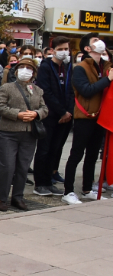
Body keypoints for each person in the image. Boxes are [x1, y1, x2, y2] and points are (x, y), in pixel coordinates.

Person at [62, 38, 112, 204]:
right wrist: (107, 80)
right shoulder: (81, 68)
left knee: (92, 155)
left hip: (100, 117)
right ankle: (68, 191)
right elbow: (86, 90)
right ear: (88, 48)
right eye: (95, 40)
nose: (100, 42)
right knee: (76, 154)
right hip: (85, 117)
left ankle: (87, 189)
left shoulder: (105, 66)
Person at [0, 59, 47, 211]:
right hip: (8, 132)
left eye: (29, 68)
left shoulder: (37, 90)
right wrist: (17, 114)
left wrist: (36, 114)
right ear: (16, 71)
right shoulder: (7, 87)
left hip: (29, 133)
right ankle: (3, 198)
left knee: (23, 167)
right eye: (22, 67)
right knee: (7, 167)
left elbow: (44, 108)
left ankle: (18, 197)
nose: (25, 70)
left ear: (34, 73)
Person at [33, 37, 73, 196]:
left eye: (66, 49)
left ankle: (49, 181)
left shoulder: (67, 67)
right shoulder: (45, 67)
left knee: (55, 150)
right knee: (44, 149)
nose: (64, 52)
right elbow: (46, 92)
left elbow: (71, 91)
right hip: (50, 115)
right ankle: (40, 183)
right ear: (52, 50)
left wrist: (68, 111)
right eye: (61, 49)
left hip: (65, 116)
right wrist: (61, 111)